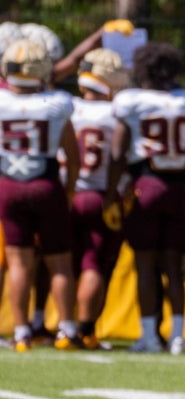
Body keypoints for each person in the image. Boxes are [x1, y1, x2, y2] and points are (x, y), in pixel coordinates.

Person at [111, 41, 185, 354]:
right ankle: (178, 336)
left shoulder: (132, 101)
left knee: (146, 264)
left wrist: (113, 191)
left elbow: (117, 151)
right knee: (173, 266)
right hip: (178, 187)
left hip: (146, 186)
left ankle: (149, 335)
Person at [0, 38, 81, 351]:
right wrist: (69, 189)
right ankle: (67, 329)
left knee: (19, 263)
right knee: (59, 262)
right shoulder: (58, 103)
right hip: (46, 183)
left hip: (8, 185)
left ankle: (21, 333)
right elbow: (72, 158)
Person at [68, 48, 129, 349]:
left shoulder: (66, 106)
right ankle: (84, 329)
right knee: (94, 265)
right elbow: (122, 157)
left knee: (63, 264)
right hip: (102, 195)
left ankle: (59, 327)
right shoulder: (116, 112)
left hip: (67, 194)